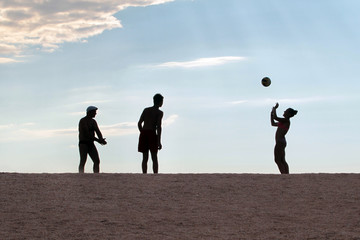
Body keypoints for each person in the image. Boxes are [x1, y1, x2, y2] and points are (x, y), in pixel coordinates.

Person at [138, 94, 164, 174]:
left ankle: (144, 174)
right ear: (160, 102)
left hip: (144, 133)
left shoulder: (146, 110)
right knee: (154, 157)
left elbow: (139, 123)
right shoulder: (159, 112)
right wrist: (159, 141)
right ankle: (155, 174)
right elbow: (158, 127)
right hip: (152, 133)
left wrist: (142, 132)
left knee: (145, 157)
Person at [78, 106, 107, 173]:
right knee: (83, 160)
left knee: (96, 161)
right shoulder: (83, 121)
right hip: (83, 143)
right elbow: (87, 134)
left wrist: (101, 139)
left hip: (91, 143)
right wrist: (98, 140)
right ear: (89, 112)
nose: (95, 114)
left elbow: (98, 131)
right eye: (94, 112)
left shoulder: (93, 121)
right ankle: (81, 175)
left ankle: (96, 175)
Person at [270, 103, 297, 174]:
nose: (284, 111)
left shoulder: (286, 120)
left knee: (277, 160)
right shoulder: (283, 121)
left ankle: (284, 174)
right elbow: (272, 123)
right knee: (282, 160)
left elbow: (275, 117)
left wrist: (275, 109)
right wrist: (271, 114)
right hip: (281, 141)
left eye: (285, 111)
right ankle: (286, 174)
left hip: (280, 141)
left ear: (288, 114)